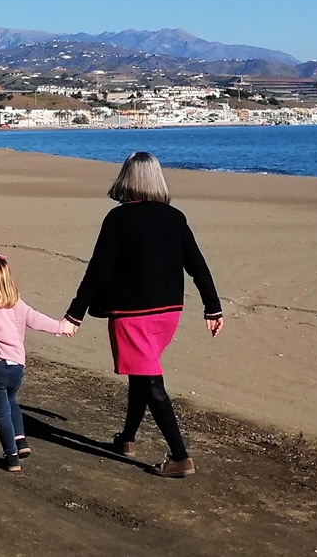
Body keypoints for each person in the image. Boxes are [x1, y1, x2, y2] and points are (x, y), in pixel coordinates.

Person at [63, 152, 223, 478]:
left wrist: (75, 314)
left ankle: (180, 457)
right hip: (169, 313)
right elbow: (197, 265)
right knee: (142, 372)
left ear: (127, 178)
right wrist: (212, 307)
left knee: (149, 380)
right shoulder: (175, 217)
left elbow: (98, 269)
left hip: (131, 313)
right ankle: (127, 438)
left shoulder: (118, 218)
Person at [0, 254, 73, 471]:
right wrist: (62, 327)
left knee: (1, 411)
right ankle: (20, 440)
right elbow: (37, 319)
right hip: (16, 365)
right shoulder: (17, 305)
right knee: (12, 399)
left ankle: (11, 454)